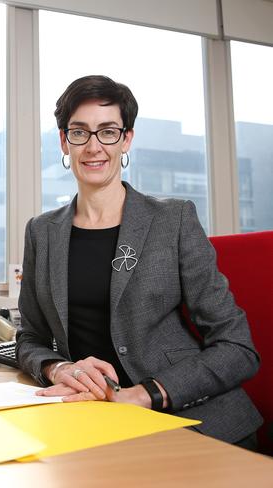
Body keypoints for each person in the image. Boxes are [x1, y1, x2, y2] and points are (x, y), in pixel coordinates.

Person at [15, 75, 262, 448]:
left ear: (126, 138)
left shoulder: (173, 219)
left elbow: (238, 347)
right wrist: (59, 368)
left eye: (108, 132)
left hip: (193, 422)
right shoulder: (41, 232)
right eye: (79, 132)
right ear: (64, 142)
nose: (93, 146)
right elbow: (29, 338)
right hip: (96, 422)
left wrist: (146, 393)